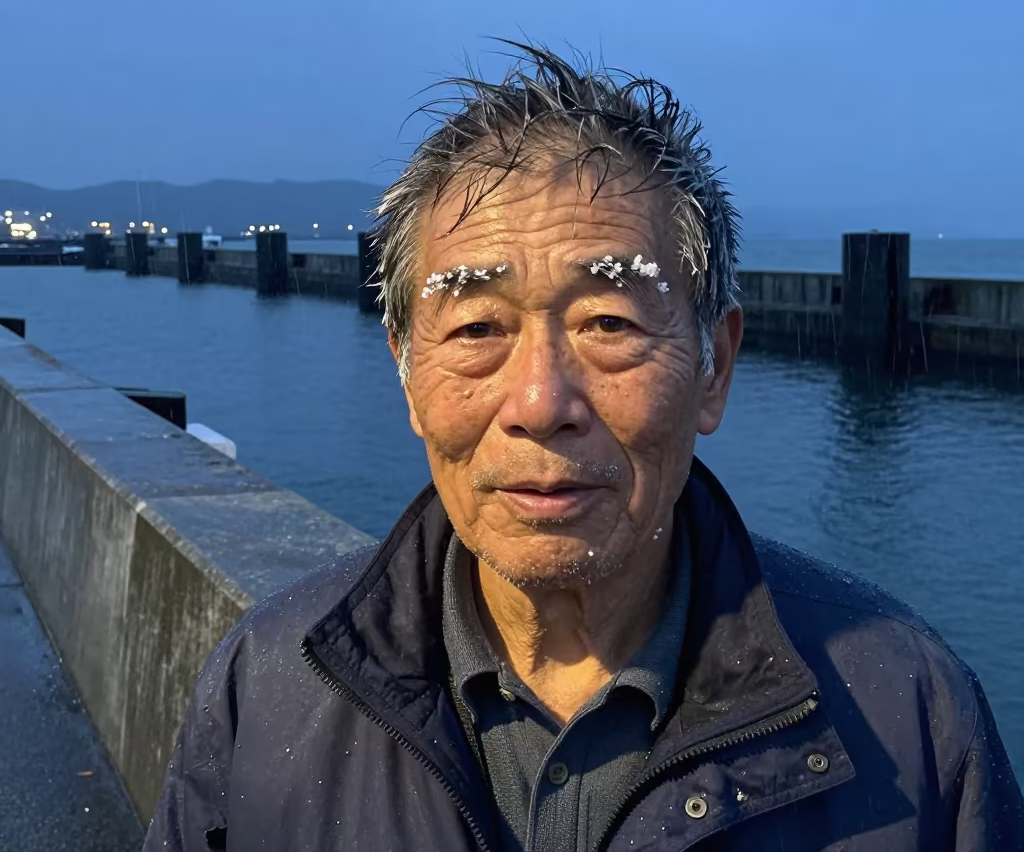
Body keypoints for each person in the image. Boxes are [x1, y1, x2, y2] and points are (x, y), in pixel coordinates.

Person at [144, 43, 1023, 851]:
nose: (539, 403)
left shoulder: (911, 718)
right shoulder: (266, 693)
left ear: (713, 365)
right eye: (478, 326)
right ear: (408, 375)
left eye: (608, 321)